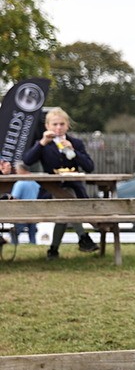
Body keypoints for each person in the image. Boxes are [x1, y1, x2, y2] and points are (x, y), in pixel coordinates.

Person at [21, 107, 99, 259]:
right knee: (66, 200)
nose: (58, 128)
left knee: (66, 205)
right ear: (47, 126)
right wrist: (42, 142)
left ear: (67, 125)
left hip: (75, 191)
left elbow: (89, 167)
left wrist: (74, 152)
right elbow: (27, 161)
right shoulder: (43, 145)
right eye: (55, 124)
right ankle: (83, 238)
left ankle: (53, 249)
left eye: (61, 124)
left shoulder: (75, 142)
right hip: (51, 190)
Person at [8, 162, 44, 243]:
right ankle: (33, 245)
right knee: (32, 233)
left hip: (21, 212)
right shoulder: (35, 182)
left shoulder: (20, 183)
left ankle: (14, 244)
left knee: (15, 232)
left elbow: (14, 199)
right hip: (34, 211)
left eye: (17, 170)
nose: (16, 172)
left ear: (22, 170)